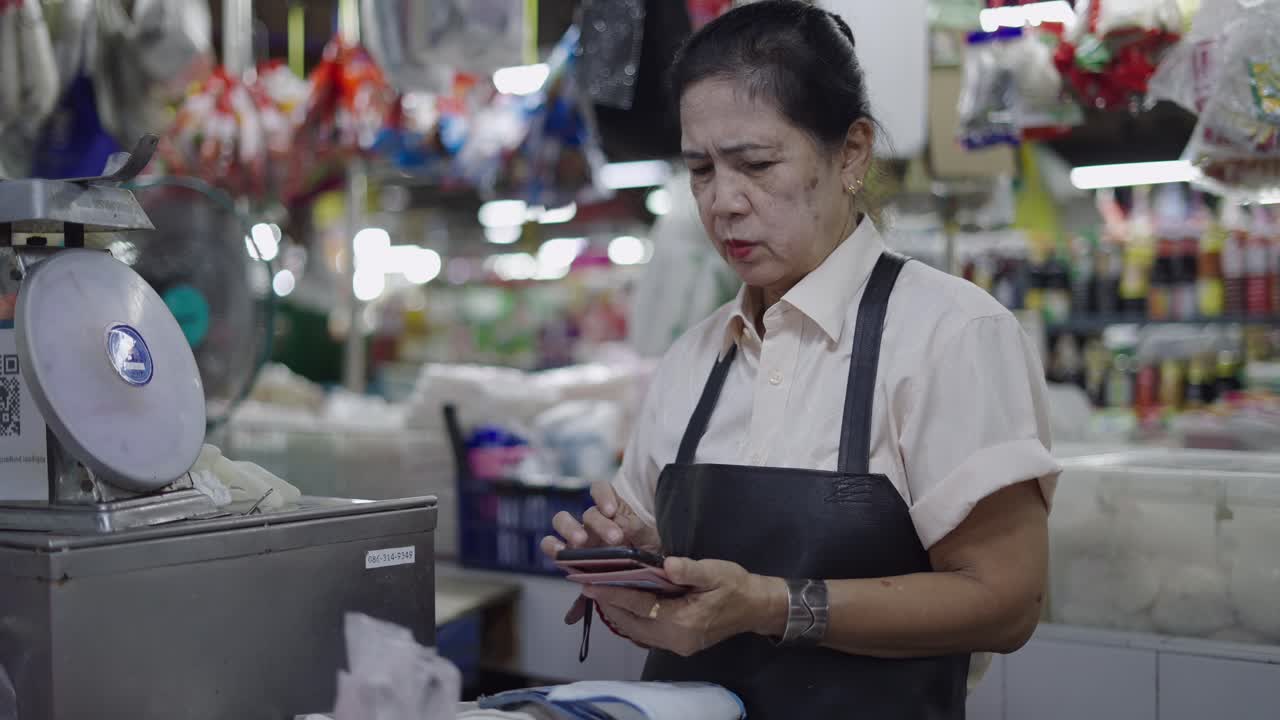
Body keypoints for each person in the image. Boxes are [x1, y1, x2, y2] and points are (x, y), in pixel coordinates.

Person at [540, 2, 1060, 717]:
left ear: (851, 154)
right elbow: (672, 569)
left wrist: (772, 605)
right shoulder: (694, 358)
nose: (723, 202)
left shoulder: (950, 335)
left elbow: (1005, 602)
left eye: (755, 164)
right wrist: (630, 560)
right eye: (700, 170)